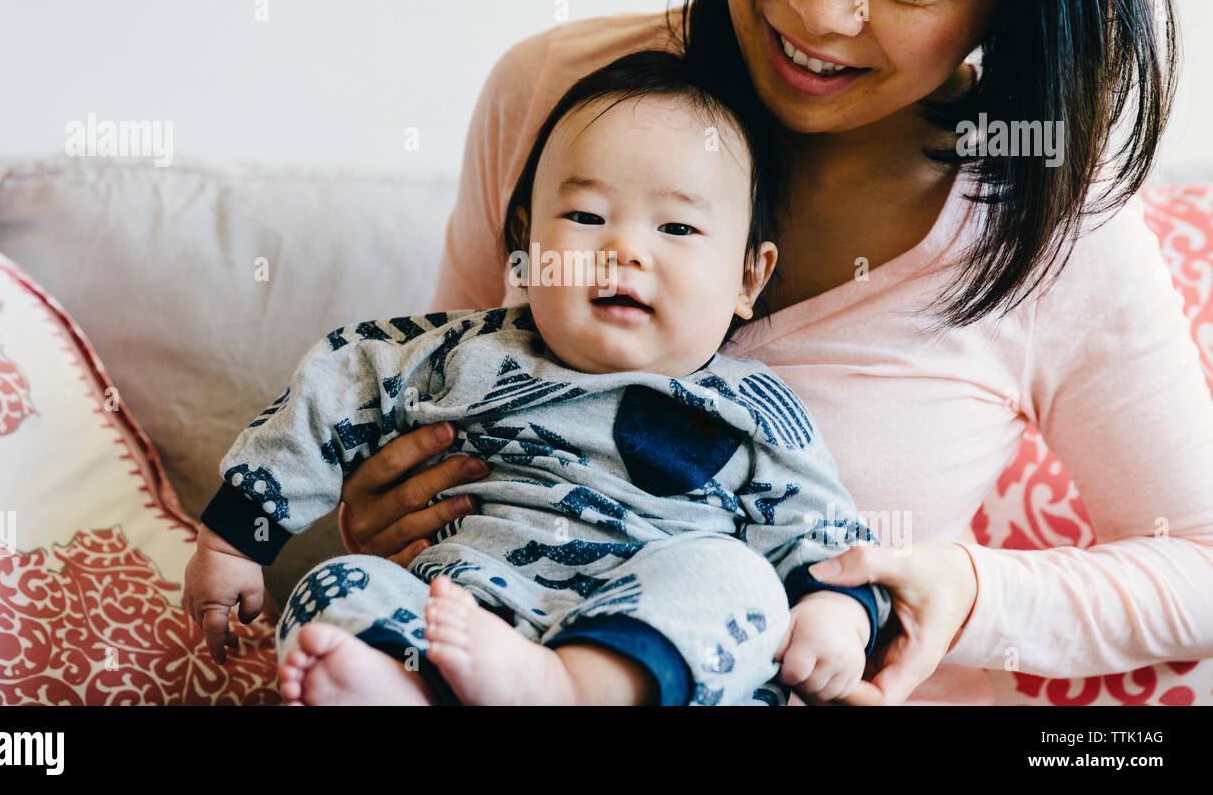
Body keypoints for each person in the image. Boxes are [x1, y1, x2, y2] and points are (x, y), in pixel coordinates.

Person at [325, 0, 1213, 705]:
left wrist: (970, 593)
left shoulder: (1054, 222)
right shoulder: (555, 92)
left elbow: (1202, 562)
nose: (823, 10)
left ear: (1007, 1)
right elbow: (434, 391)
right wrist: (377, 502)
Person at [185, 49, 895, 706]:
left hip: (647, 653)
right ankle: (407, 693)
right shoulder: (460, 356)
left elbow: (823, 535)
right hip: (462, 619)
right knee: (339, 588)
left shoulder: (753, 408)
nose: (624, 250)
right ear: (525, 246)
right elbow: (337, 384)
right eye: (587, 217)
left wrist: (837, 618)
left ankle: (567, 685)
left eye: (676, 229)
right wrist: (234, 541)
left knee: (739, 584)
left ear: (749, 276)